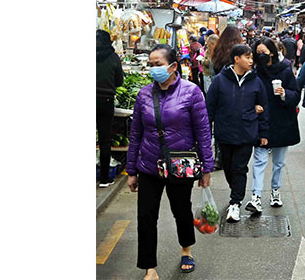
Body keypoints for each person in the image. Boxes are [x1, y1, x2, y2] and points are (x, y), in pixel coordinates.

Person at [126, 44, 214, 278]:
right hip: (149, 165)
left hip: (180, 165)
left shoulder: (192, 92)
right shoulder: (144, 94)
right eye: (151, 65)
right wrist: (131, 170)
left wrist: (207, 168)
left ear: (173, 66)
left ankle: (186, 250)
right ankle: (150, 268)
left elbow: (203, 132)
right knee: (146, 217)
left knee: (181, 211)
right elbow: (135, 134)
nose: (153, 69)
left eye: (158, 64)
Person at [205, 44, 269, 223]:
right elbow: (209, 108)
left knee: (240, 168)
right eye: (247, 57)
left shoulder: (256, 82)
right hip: (224, 133)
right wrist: (204, 133)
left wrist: (264, 133)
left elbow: (264, 108)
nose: (251, 61)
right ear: (236, 59)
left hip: (247, 133)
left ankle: (235, 203)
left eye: (251, 57)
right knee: (228, 167)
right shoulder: (219, 81)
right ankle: (236, 192)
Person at [247, 38, 300, 213]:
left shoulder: (285, 70)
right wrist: (253, 105)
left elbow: (296, 95)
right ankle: (256, 196)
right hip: (261, 121)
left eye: (264, 52)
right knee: (259, 160)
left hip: (281, 121)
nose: (260, 56)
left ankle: (275, 191)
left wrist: (284, 94)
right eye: (258, 53)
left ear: (272, 52)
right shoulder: (254, 72)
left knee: (278, 162)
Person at [97, 30, 125, 188]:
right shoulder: (113, 58)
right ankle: (104, 178)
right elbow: (119, 81)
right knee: (105, 141)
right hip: (105, 101)